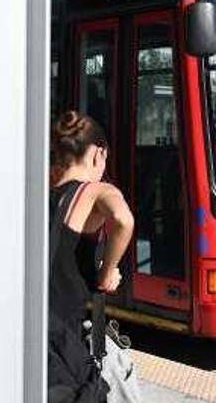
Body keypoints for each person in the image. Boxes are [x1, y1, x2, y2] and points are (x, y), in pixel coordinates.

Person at [48, 111, 134, 403]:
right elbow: (123, 220)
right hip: (63, 340)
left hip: (35, 326)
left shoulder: (43, 193)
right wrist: (108, 270)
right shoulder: (95, 190)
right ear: (99, 154)